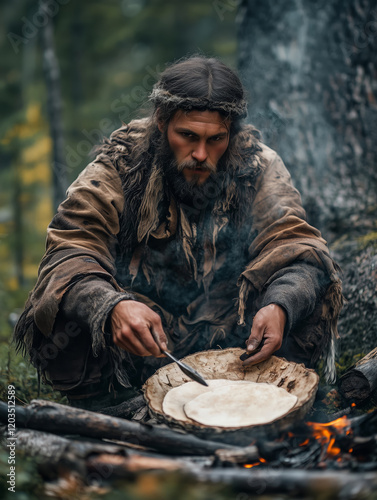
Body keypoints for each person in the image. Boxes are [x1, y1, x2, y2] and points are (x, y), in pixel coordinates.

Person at [14, 56, 343, 410]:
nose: (201, 154)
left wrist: (281, 305)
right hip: (138, 346)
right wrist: (111, 306)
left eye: (216, 139)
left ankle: (273, 400)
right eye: (187, 136)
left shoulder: (258, 165)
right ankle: (112, 407)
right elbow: (69, 252)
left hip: (235, 344)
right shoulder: (117, 164)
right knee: (64, 304)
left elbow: (295, 244)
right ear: (161, 121)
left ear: (231, 131)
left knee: (310, 284)